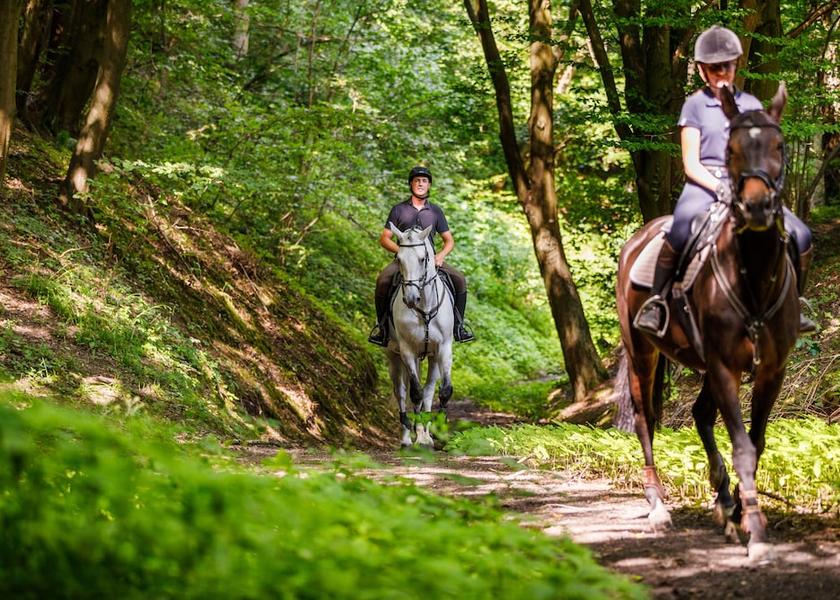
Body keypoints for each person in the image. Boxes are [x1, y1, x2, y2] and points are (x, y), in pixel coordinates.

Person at [636, 25, 816, 336]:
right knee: (680, 229)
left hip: (750, 186)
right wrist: (719, 187)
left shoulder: (752, 106)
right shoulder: (694, 106)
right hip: (705, 184)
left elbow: (766, 155)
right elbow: (690, 163)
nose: (722, 72)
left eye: (727, 65)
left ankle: (795, 304)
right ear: (703, 70)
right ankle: (656, 303)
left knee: (800, 234)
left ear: (735, 65)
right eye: (714, 67)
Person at [368, 166, 475, 346]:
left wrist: (440, 256)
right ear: (411, 184)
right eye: (417, 180)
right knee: (383, 280)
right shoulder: (398, 210)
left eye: (424, 181)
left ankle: (458, 326)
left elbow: (449, 240)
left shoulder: (435, 212)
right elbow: (385, 238)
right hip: (404, 261)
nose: (420, 183)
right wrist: (402, 252)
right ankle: (382, 328)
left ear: (429, 185)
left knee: (460, 279)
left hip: (430, 260)